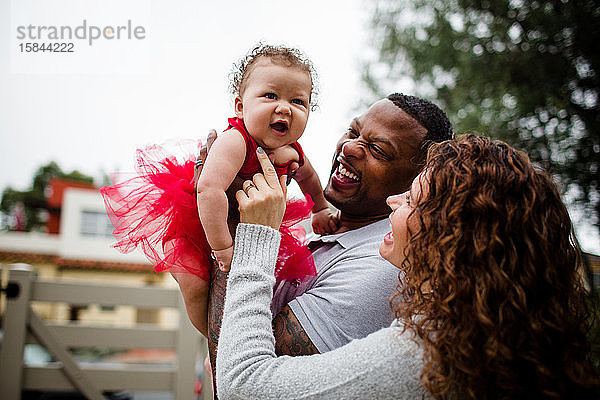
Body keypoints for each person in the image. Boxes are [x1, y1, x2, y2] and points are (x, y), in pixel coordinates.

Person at [216, 135, 600, 399]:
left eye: (413, 200)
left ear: (454, 237)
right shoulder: (483, 338)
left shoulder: (429, 353)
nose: (393, 203)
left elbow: (244, 385)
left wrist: (255, 236)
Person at [193, 92, 453, 393]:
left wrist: (234, 229)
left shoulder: (383, 266)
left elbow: (240, 380)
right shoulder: (320, 224)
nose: (350, 147)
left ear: (418, 180)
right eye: (353, 132)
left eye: (378, 150)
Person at [100, 44, 337, 334]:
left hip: (249, 227)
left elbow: (310, 179)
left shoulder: (295, 151)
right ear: (241, 106)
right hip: (199, 223)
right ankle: (214, 340)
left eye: (298, 101)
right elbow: (209, 189)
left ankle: (241, 335)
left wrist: (321, 208)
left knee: (268, 283)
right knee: (194, 281)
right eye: (270, 95)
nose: (284, 107)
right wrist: (223, 247)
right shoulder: (236, 141)